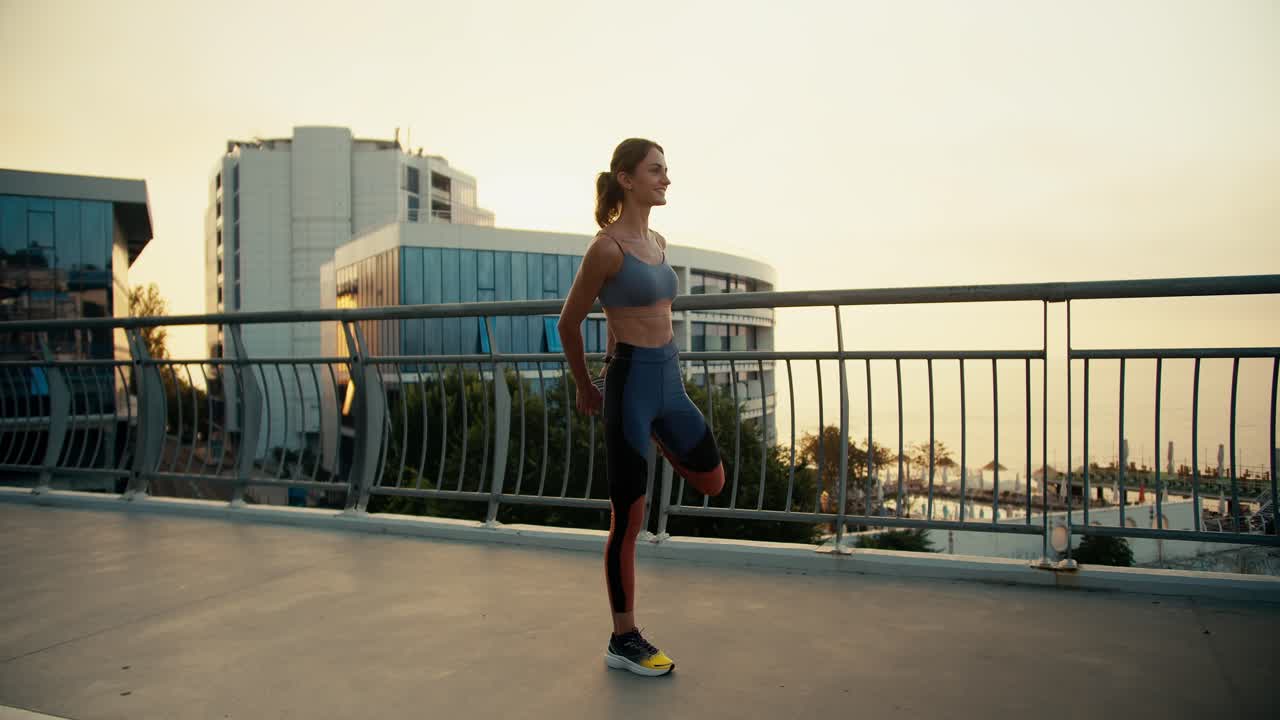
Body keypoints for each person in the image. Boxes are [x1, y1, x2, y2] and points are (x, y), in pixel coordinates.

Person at [557, 138, 726, 677]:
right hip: (628, 383)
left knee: (712, 482)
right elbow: (568, 322)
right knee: (627, 520)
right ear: (627, 180)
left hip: (668, 382)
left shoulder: (657, 240)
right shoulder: (607, 248)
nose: (666, 179)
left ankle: (653, 435)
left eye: (666, 170)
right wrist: (586, 386)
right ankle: (623, 637)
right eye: (656, 170)